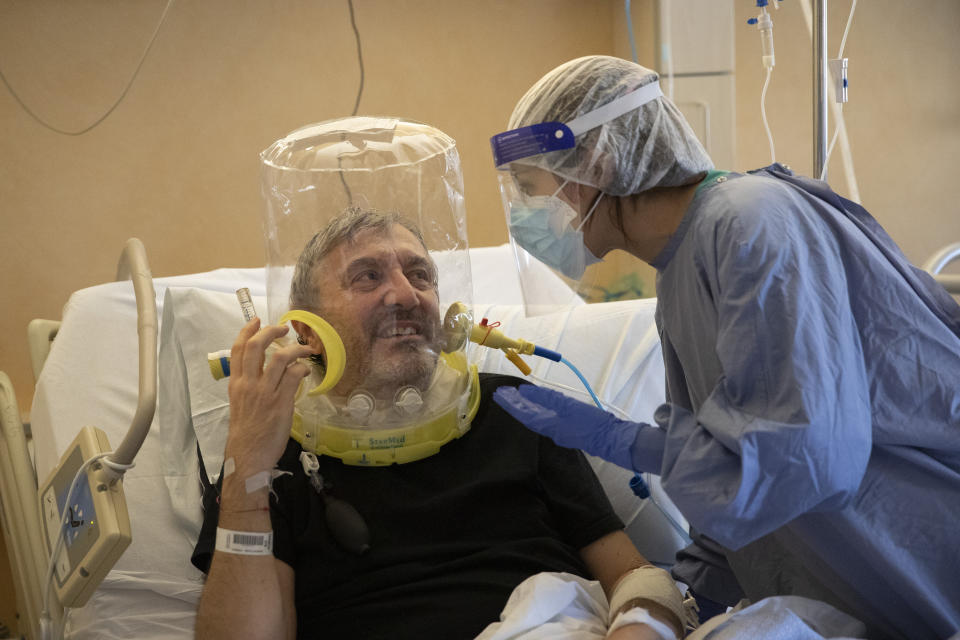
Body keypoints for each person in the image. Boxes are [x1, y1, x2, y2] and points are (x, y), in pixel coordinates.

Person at [490, 55, 960, 640]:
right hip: (851, 590)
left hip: (926, 565)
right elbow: (734, 487)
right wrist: (680, 594)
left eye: (532, 189)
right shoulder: (679, 276)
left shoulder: (750, 223)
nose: (524, 216)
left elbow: (808, 457)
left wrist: (631, 443)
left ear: (597, 160)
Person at [191, 208, 690, 640]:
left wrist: (639, 628)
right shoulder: (271, 456)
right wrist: (248, 466)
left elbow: (634, 576)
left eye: (420, 274)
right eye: (367, 276)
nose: (406, 294)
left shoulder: (516, 408)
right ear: (307, 332)